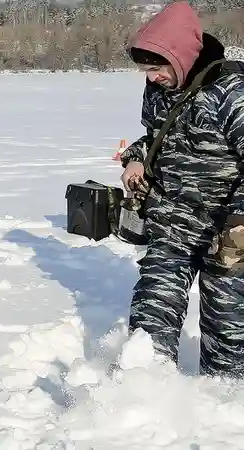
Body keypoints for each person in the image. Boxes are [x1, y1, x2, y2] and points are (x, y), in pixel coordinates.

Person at [119, 1, 244, 377]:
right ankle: (145, 392)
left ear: (182, 56)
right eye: (146, 70)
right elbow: (154, 137)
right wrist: (136, 158)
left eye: (157, 68)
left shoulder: (232, 93)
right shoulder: (157, 90)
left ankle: (224, 400)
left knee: (228, 324)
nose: (152, 76)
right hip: (173, 222)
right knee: (151, 311)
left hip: (230, 227)